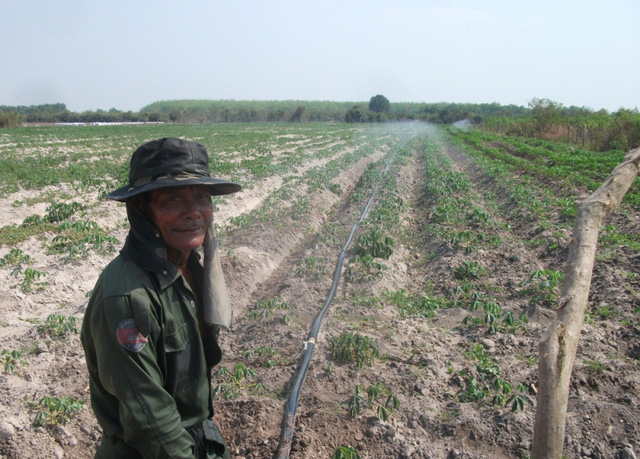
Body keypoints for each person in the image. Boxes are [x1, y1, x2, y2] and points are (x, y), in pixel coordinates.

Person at [81, 137, 241, 458]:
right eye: (173, 199)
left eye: (202, 197)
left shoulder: (187, 265)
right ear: (142, 209)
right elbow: (150, 421)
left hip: (193, 438)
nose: (194, 212)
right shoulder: (127, 297)